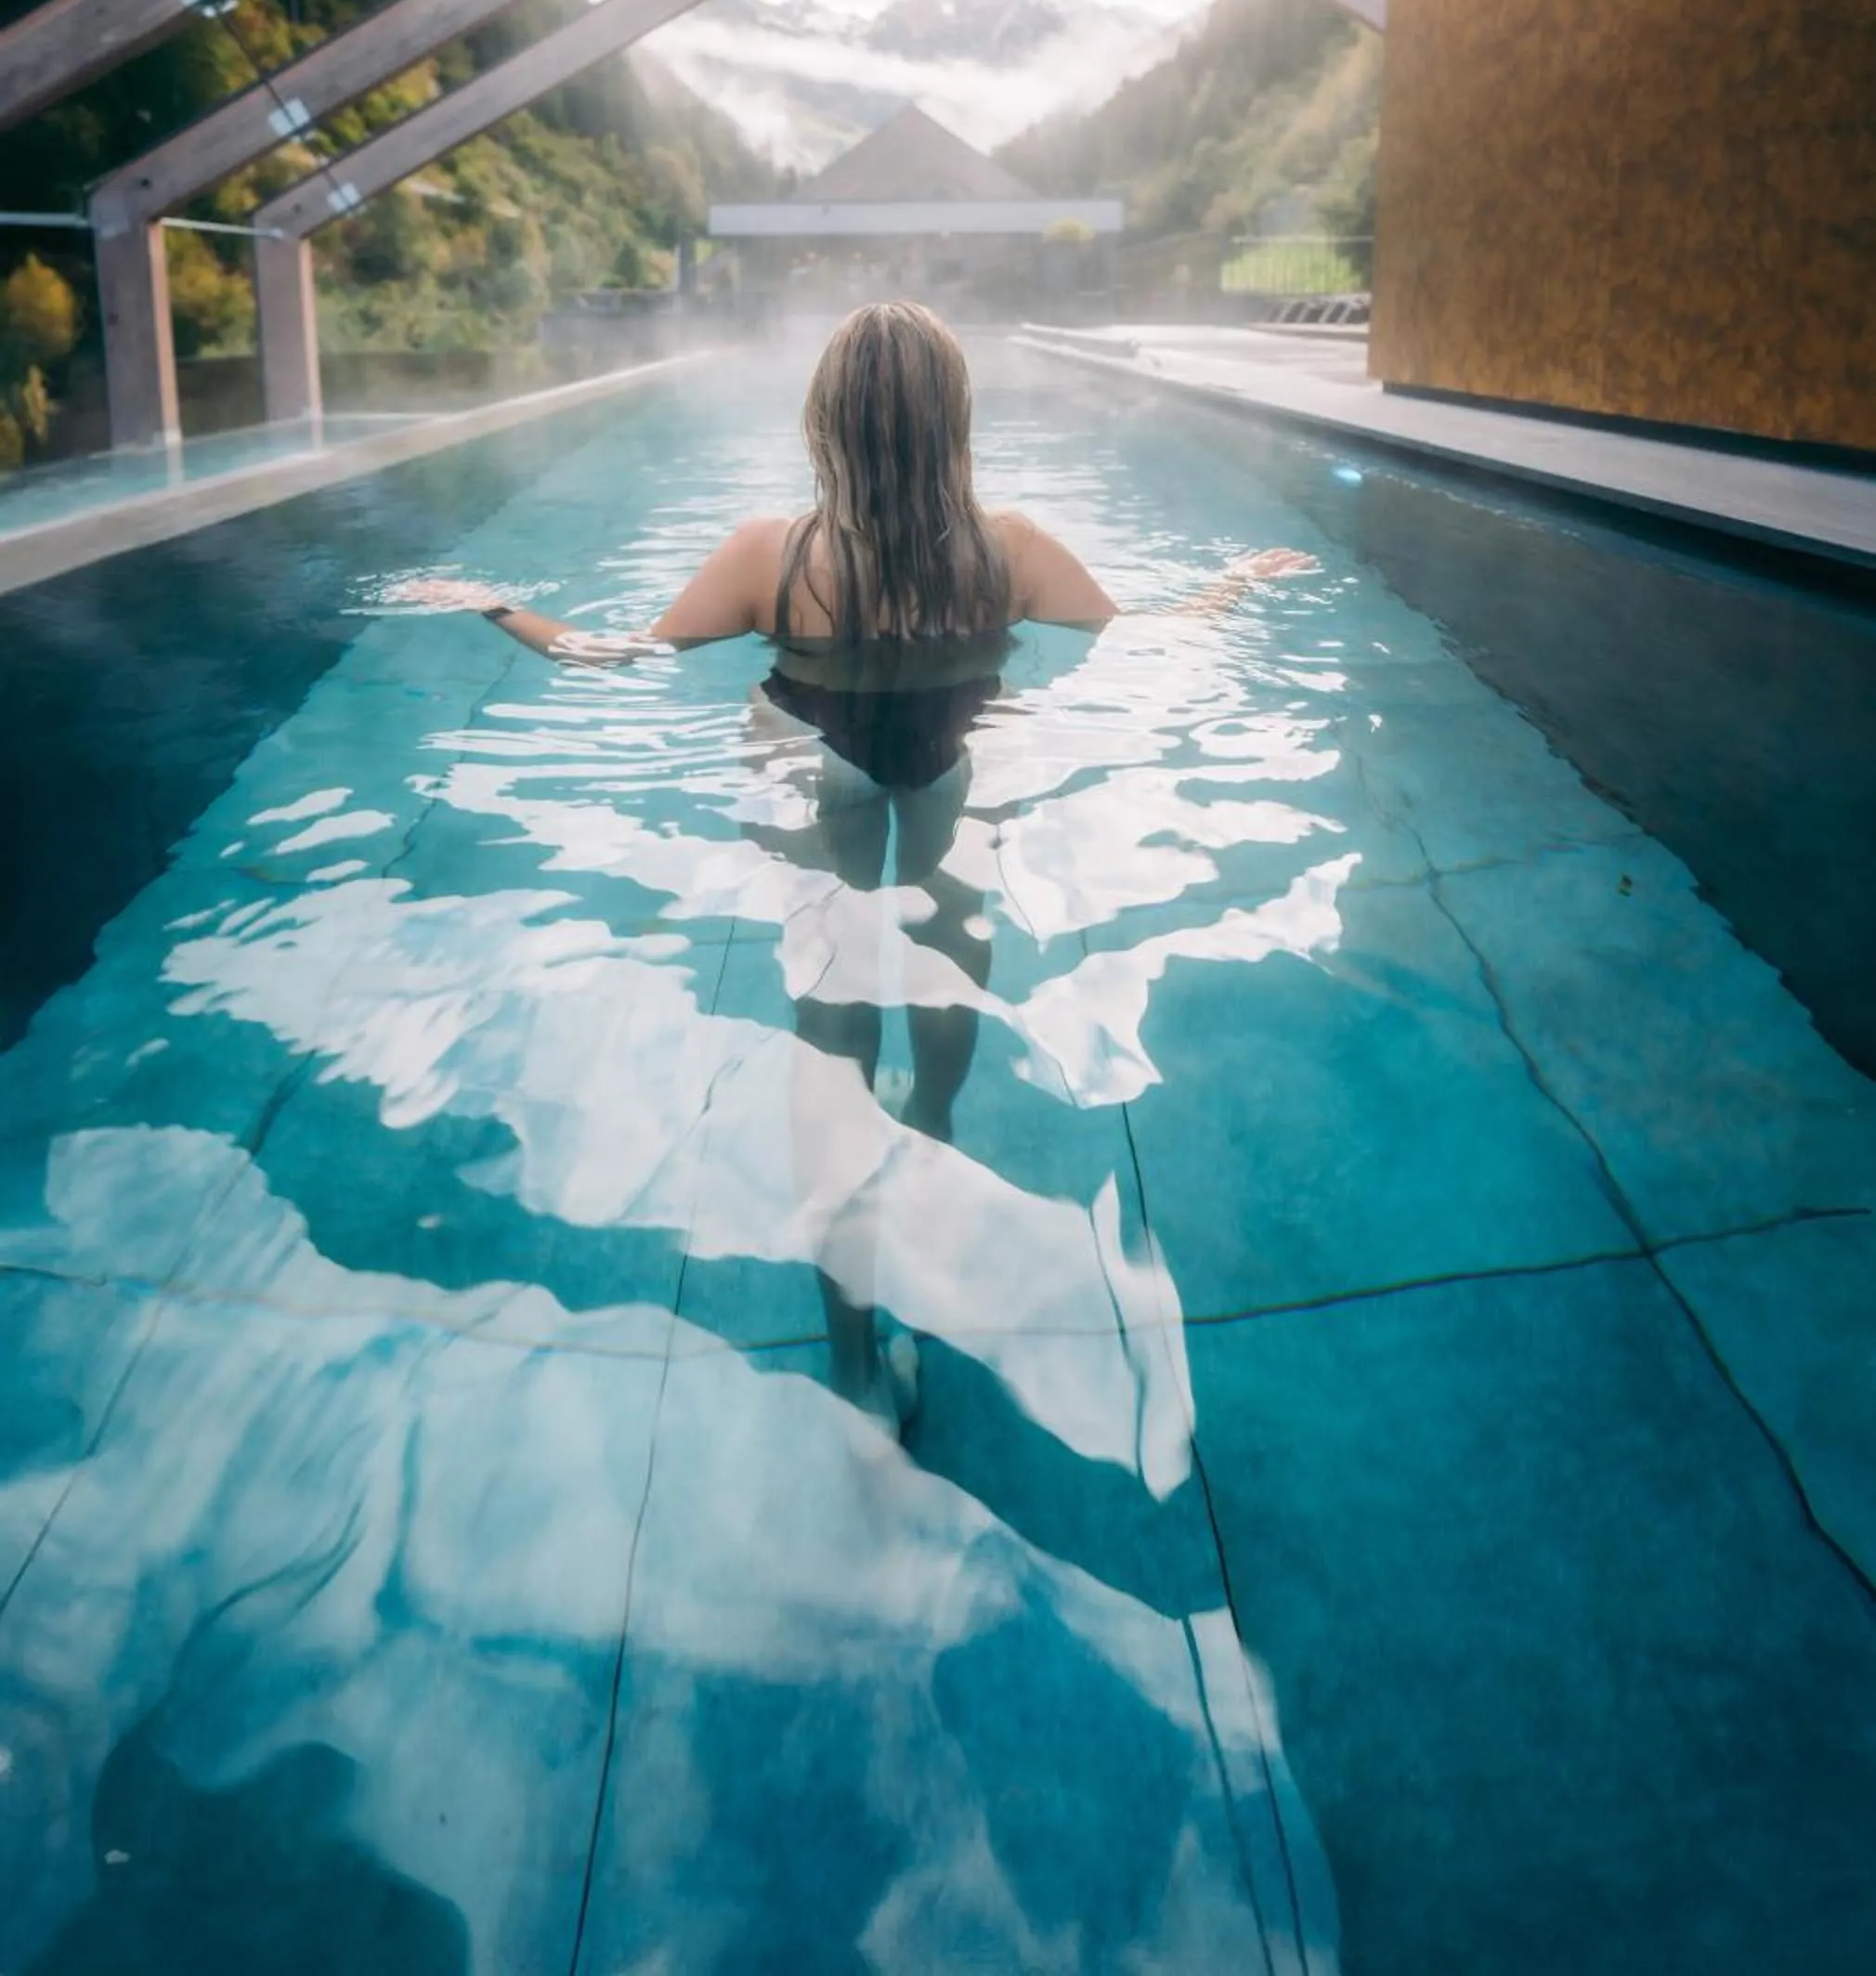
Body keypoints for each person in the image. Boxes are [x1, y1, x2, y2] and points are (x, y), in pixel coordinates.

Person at [394, 301, 1314, 1428]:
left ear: (822, 422)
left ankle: (857, 1369)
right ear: (954, 423)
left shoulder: (765, 557)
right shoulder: (1008, 551)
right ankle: (928, 1120)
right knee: (953, 937)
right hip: (950, 750)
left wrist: (485, 601)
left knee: (829, 1015)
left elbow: (605, 656)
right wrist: (1240, 584)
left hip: (811, 753)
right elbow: (1152, 636)